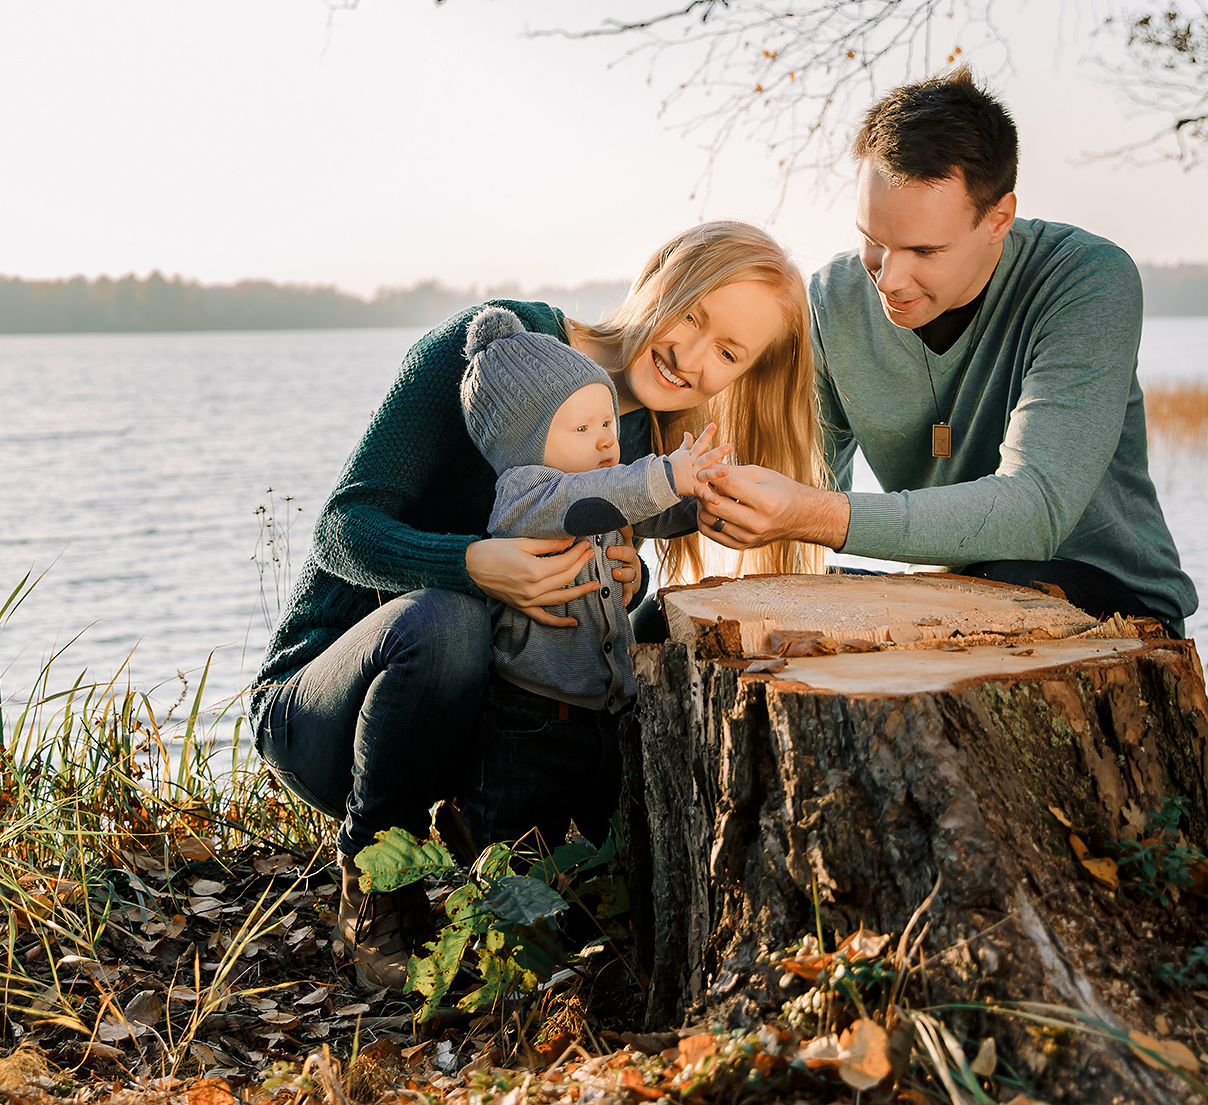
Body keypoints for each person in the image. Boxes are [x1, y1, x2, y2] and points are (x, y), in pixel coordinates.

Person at [248, 222, 823, 988]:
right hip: (331, 711)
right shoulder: (498, 354)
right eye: (693, 316)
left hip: (483, 732)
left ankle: (564, 852)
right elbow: (339, 532)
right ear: (660, 280)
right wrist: (473, 566)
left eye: (728, 353)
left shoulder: (644, 435)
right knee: (447, 620)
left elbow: (568, 586)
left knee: (665, 628)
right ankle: (378, 886)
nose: (692, 355)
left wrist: (624, 583)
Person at [696, 70, 1197, 632]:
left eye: (924, 250)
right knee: (671, 621)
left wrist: (813, 515)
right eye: (874, 241)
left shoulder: (1087, 279)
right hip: (950, 594)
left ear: (998, 220)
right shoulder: (830, 300)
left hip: (1111, 597)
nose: (888, 279)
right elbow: (808, 489)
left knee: (1000, 576)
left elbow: (1035, 511)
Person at [455, 306, 727, 854]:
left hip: (602, 710)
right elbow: (597, 502)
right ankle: (512, 929)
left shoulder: (596, 485)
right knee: (517, 849)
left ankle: (606, 915)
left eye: (607, 423)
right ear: (524, 441)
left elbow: (649, 511)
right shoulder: (528, 493)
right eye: (582, 428)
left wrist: (702, 502)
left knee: (624, 838)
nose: (606, 441)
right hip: (529, 719)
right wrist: (666, 472)